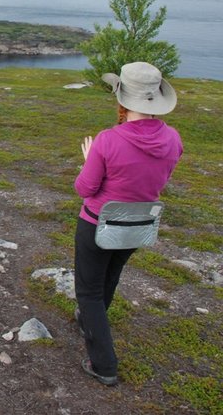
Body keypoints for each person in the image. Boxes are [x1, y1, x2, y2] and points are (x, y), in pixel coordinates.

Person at [73, 61, 183, 386]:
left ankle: (103, 364)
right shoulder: (173, 139)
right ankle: (91, 322)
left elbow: (85, 188)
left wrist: (88, 159)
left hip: (98, 224)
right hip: (138, 226)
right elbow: (155, 179)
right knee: (110, 277)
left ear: (121, 98)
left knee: (89, 292)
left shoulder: (108, 141)